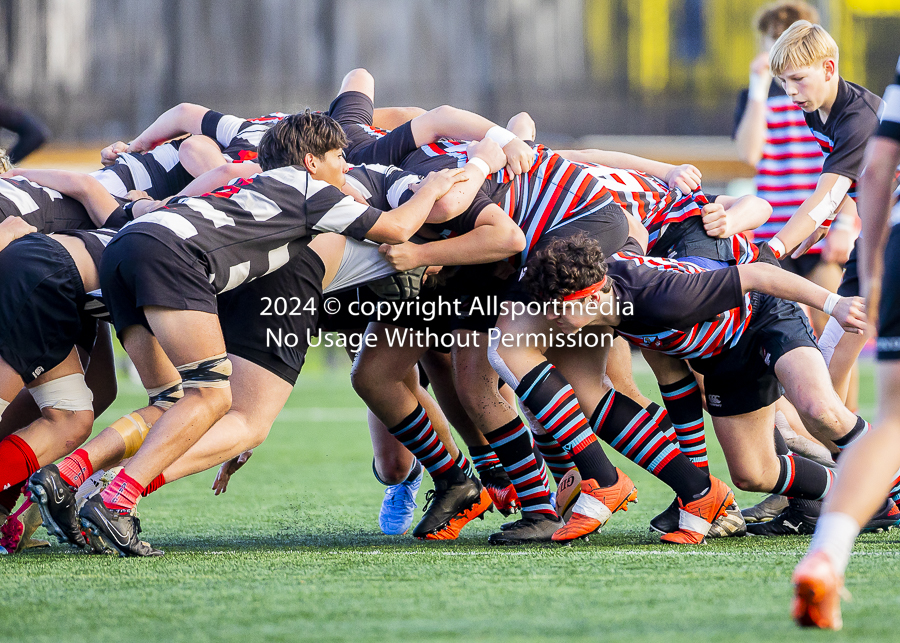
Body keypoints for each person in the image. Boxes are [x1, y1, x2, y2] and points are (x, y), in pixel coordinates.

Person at [791, 54, 900, 632]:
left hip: (895, 238)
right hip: (870, 245)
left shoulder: (863, 110)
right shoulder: (829, 112)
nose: (791, 93)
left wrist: (873, 262)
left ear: (829, 67)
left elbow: (876, 170)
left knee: (892, 418)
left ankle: (828, 551)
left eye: (797, 80)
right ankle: (829, 461)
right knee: (832, 365)